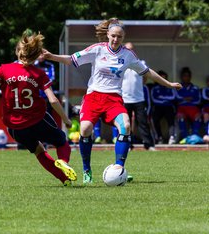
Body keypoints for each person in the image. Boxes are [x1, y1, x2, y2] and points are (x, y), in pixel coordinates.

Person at [43, 18, 182, 184]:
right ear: (108, 35)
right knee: (86, 129)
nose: (116, 39)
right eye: (113, 36)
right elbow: (70, 59)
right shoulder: (97, 50)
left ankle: (119, 169)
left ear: (123, 38)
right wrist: (50, 56)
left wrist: (169, 84)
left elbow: (147, 72)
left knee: (126, 126)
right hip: (94, 97)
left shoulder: (128, 55)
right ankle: (87, 169)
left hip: (113, 99)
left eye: (119, 37)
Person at [0, 31, 77, 186]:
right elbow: (53, 100)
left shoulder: (4, 70)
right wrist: (66, 120)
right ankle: (62, 161)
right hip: (37, 119)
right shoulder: (39, 73)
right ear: (36, 56)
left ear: (18, 51)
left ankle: (64, 180)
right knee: (61, 141)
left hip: (15, 126)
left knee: (39, 151)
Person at [121, 42, 156, 151]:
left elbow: (145, 77)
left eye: (131, 49)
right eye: (127, 49)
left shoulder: (141, 63)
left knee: (143, 123)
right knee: (126, 124)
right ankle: (128, 145)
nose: (129, 51)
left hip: (139, 99)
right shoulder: (120, 63)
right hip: (125, 99)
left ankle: (148, 145)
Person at [150, 70, 177, 145]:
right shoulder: (154, 88)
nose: (163, 81)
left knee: (171, 118)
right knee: (155, 119)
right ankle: (159, 137)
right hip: (158, 107)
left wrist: (162, 98)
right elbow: (154, 99)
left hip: (168, 106)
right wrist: (165, 100)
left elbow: (174, 97)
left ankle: (172, 137)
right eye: (161, 79)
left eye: (164, 79)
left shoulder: (170, 87)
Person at [176, 67, 202, 143]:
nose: (186, 77)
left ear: (190, 77)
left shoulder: (195, 88)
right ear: (181, 77)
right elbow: (176, 98)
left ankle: (195, 137)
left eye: (187, 76)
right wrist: (187, 99)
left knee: (198, 116)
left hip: (192, 107)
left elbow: (198, 100)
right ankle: (185, 138)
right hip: (182, 107)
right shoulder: (178, 87)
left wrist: (184, 99)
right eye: (184, 76)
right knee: (180, 117)